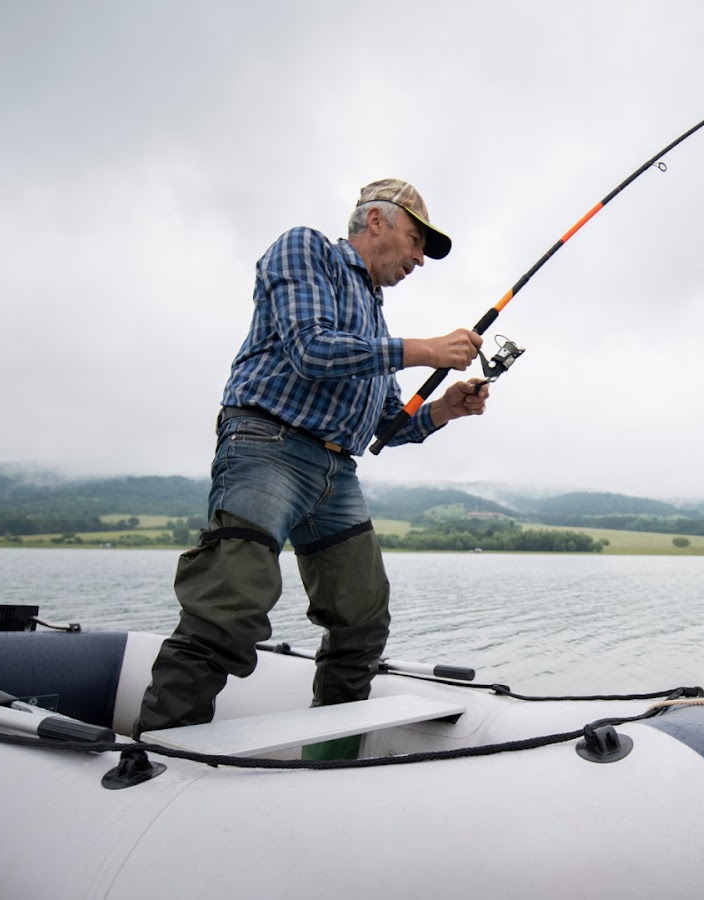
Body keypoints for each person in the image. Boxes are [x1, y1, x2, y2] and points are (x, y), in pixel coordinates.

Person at [133, 178, 489, 758]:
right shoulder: (306, 249)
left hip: (334, 472)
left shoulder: (374, 319)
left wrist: (447, 409)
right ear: (376, 221)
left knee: (363, 618)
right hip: (267, 444)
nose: (419, 258)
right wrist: (425, 349)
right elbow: (312, 348)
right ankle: (156, 755)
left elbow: (389, 426)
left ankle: (331, 757)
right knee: (232, 602)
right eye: (417, 240)